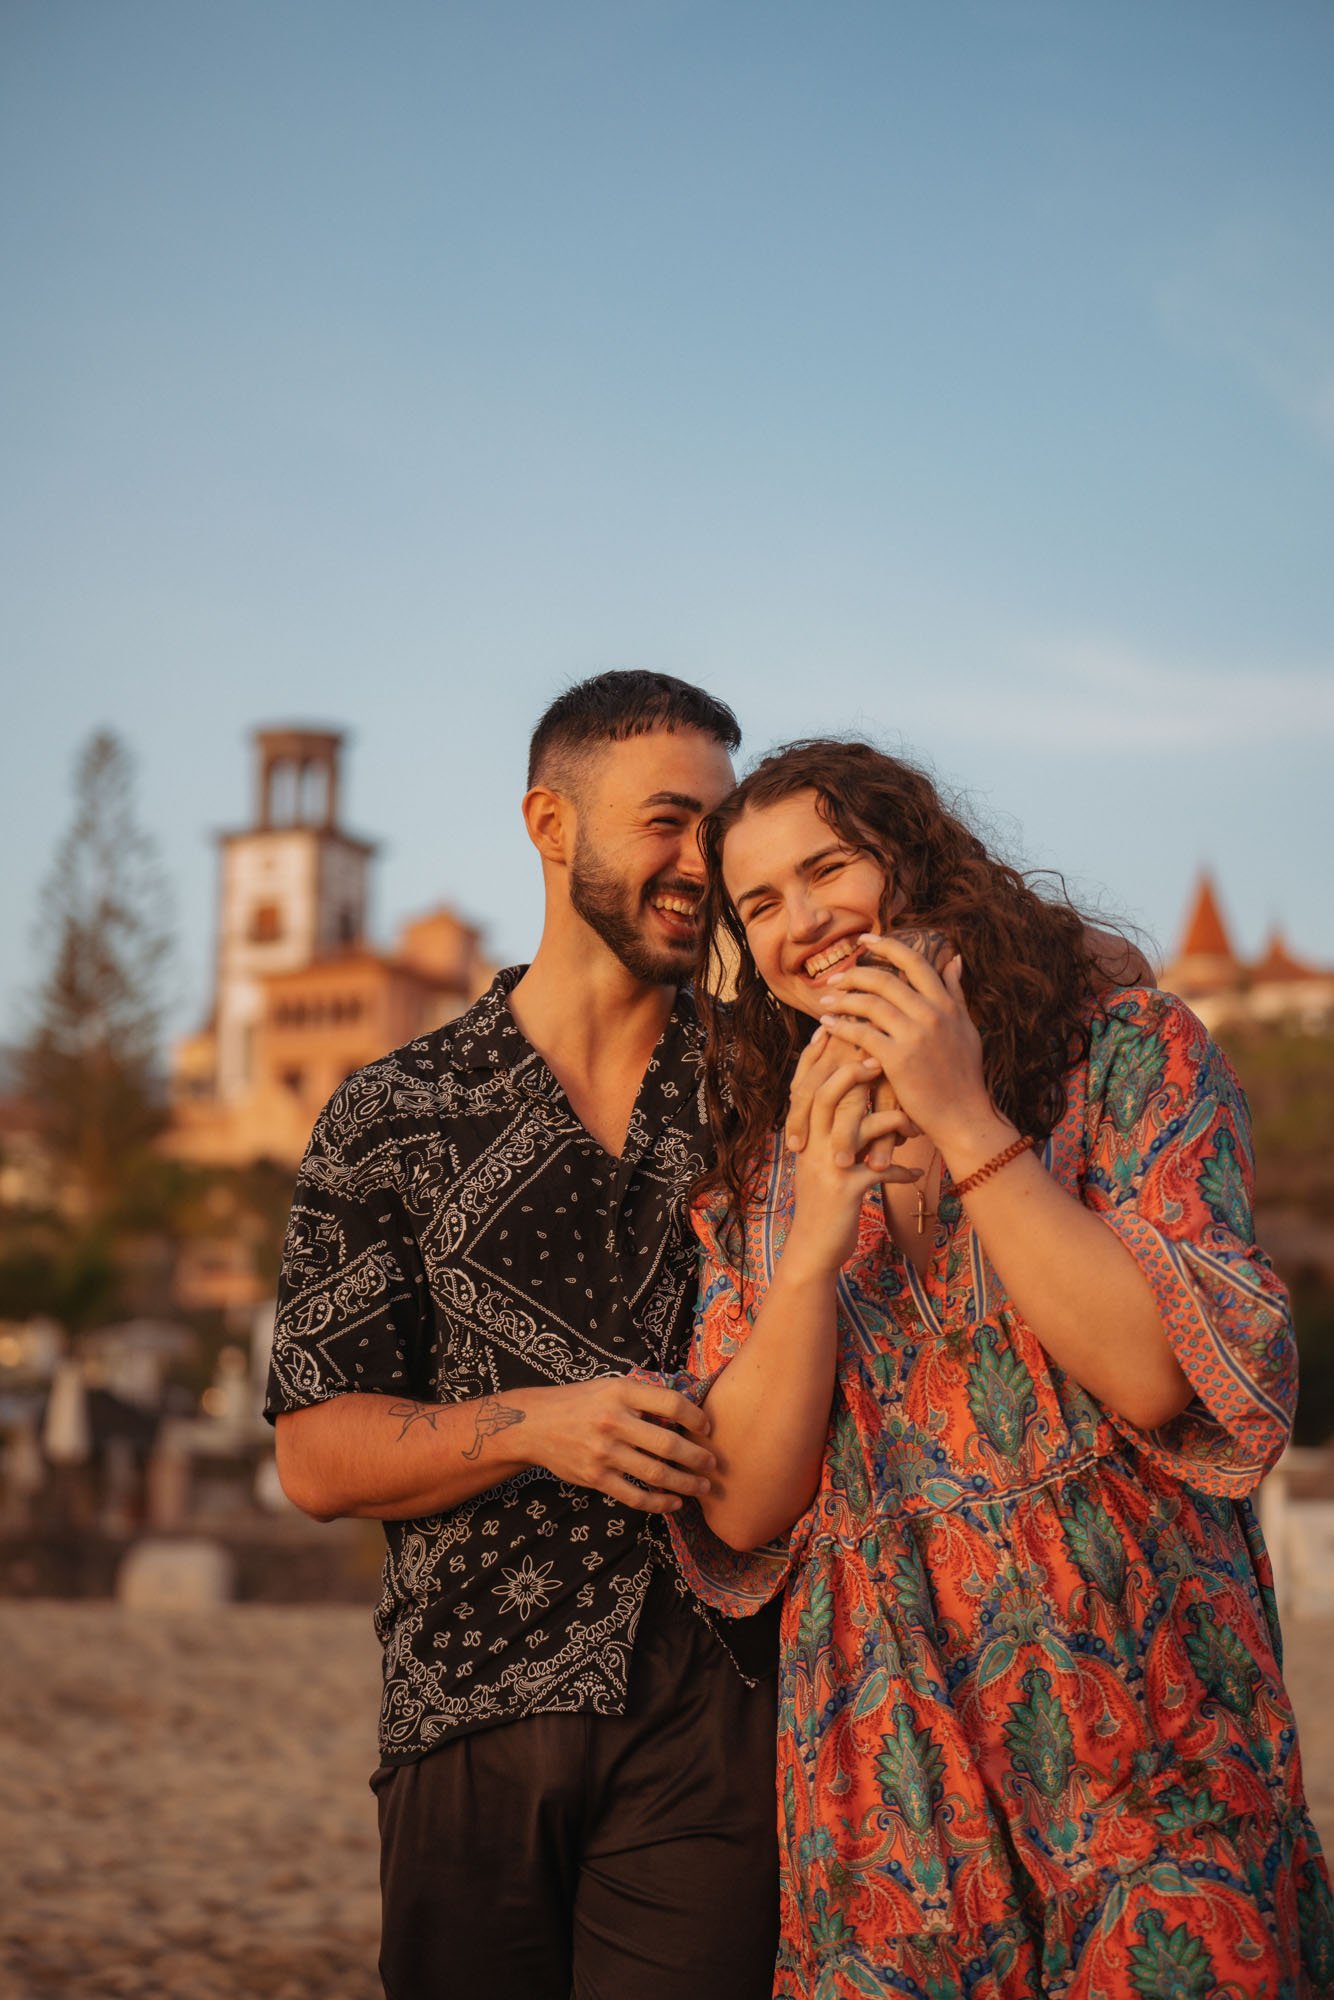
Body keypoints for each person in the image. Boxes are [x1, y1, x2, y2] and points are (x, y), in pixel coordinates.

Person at [667, 739, 1334, 1998]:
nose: (799, 921)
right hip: (891, 1780)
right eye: (757, 903)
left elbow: (1151, 1374)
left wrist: (962, 1112)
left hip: (1151, 1729)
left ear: (913, 861)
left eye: (827, 868)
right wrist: (810, 1244)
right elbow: (747, 1505)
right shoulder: (759, 1175)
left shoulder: (1127, 1055)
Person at [266, 672, 780, 2000]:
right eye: (668, 820)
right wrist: (545, 1427)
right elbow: (319, 1458)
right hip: (464, 1705)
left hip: (721, 1709)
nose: (700, 865)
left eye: (719, 833)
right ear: (550, 826)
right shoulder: (389, 1112)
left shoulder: (768, 1089)